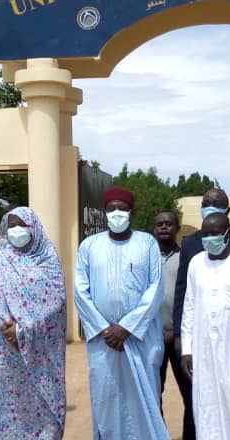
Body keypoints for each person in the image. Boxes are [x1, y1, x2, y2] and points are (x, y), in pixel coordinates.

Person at [74, 187, 170, 440]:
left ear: (132, 212)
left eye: (123, 209)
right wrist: (105, 329)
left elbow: (156, 288)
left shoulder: (147, 243)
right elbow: (80, 291)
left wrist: (127, 327)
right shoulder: (89, 246)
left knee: (143, 401)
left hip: (141, 339)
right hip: (103, 341)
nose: (117, 213)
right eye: (112, 208)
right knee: (107, 401)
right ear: (104, 212)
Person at [0, 207, 67, 439]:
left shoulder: (48, 257)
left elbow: (56, 299)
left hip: (38, 349)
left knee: (41, 409)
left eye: (21, 225)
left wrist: (23, 329)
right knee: (2, 406)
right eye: (12, 225)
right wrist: (4, 327)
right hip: (2, 348)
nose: (16, 230)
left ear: (33, 227)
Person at [180, 213, 230, 440]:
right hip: (203, 354)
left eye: (214, 233)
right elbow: (189, 307)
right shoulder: (196, 263)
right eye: (205, 234)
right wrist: (187, 349)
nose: (209, 238)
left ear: (228, 234)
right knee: (207, 410)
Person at [173, 188, 230, 350]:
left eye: (216, 203)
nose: (210, 207)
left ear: (227, 210)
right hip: (202, 331)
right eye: (206, 204)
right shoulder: (190, 243)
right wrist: (179, 334)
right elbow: (183, 292)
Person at [154, 210, 195, 440]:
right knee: (153, 395)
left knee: (191, 394)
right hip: (153, 339)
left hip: (182, 340)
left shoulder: (187, 259)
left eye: (169, 224)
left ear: (178, 228)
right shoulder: (147, 259)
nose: (164, 227)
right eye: (160, 224)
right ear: (154, 229)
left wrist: (177, 331)